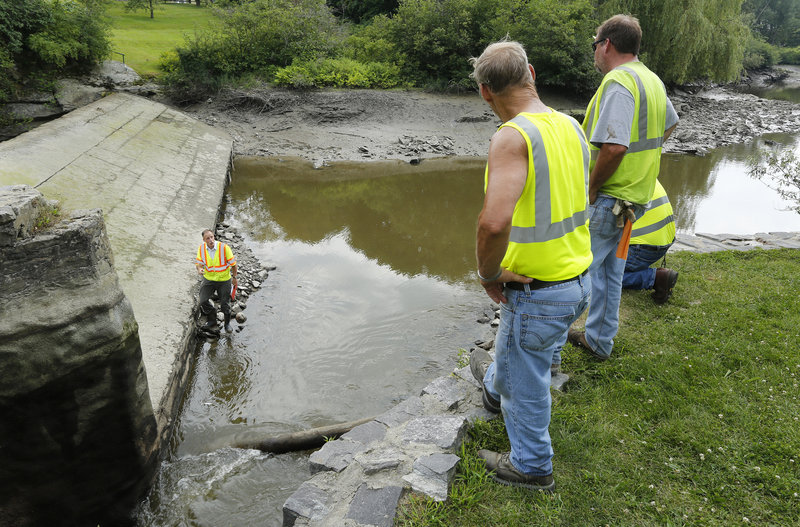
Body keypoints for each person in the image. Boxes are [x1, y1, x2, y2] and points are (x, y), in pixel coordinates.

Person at [468, 40, 592, 492]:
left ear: (486, 92)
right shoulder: (571, 126)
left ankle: (531, 466)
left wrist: (487, 273)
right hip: (578, 279)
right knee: (518, 347)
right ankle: (494, 387)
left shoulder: (512, 136)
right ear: (532, 73)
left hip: (538, 290)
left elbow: (494, 221)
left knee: (529, 381)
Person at [568, 14, 679, 360]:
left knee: (576, 274)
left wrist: (592, 188)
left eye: (595, 45)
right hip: (635, 200)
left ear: (607, 45)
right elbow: (670, 126)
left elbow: (614, 147)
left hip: (610, 200)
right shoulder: (651, 79)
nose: (595, 52)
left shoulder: (619, 82)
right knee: (611, 271)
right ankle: (599, 341)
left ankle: (545, 348)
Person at [623, 180, 678, 303]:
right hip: (661, 242)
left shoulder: (600, 173)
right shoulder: (640, 169)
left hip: (641, 249)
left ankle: (655, 278)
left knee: (595, 276)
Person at [195, 229, 238, 333]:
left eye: (212, 237)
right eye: (208, 238)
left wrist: (235, 278)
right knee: (203, 300)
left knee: (225, 304)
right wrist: (199, 269)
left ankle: (227, 324)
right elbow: (199, 263)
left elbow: (233, 265)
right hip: (209, 279)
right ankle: (212, 319)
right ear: (204, 240)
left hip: (224, 280)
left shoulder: (224, 248)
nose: (211, 240)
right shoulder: (201, 249)